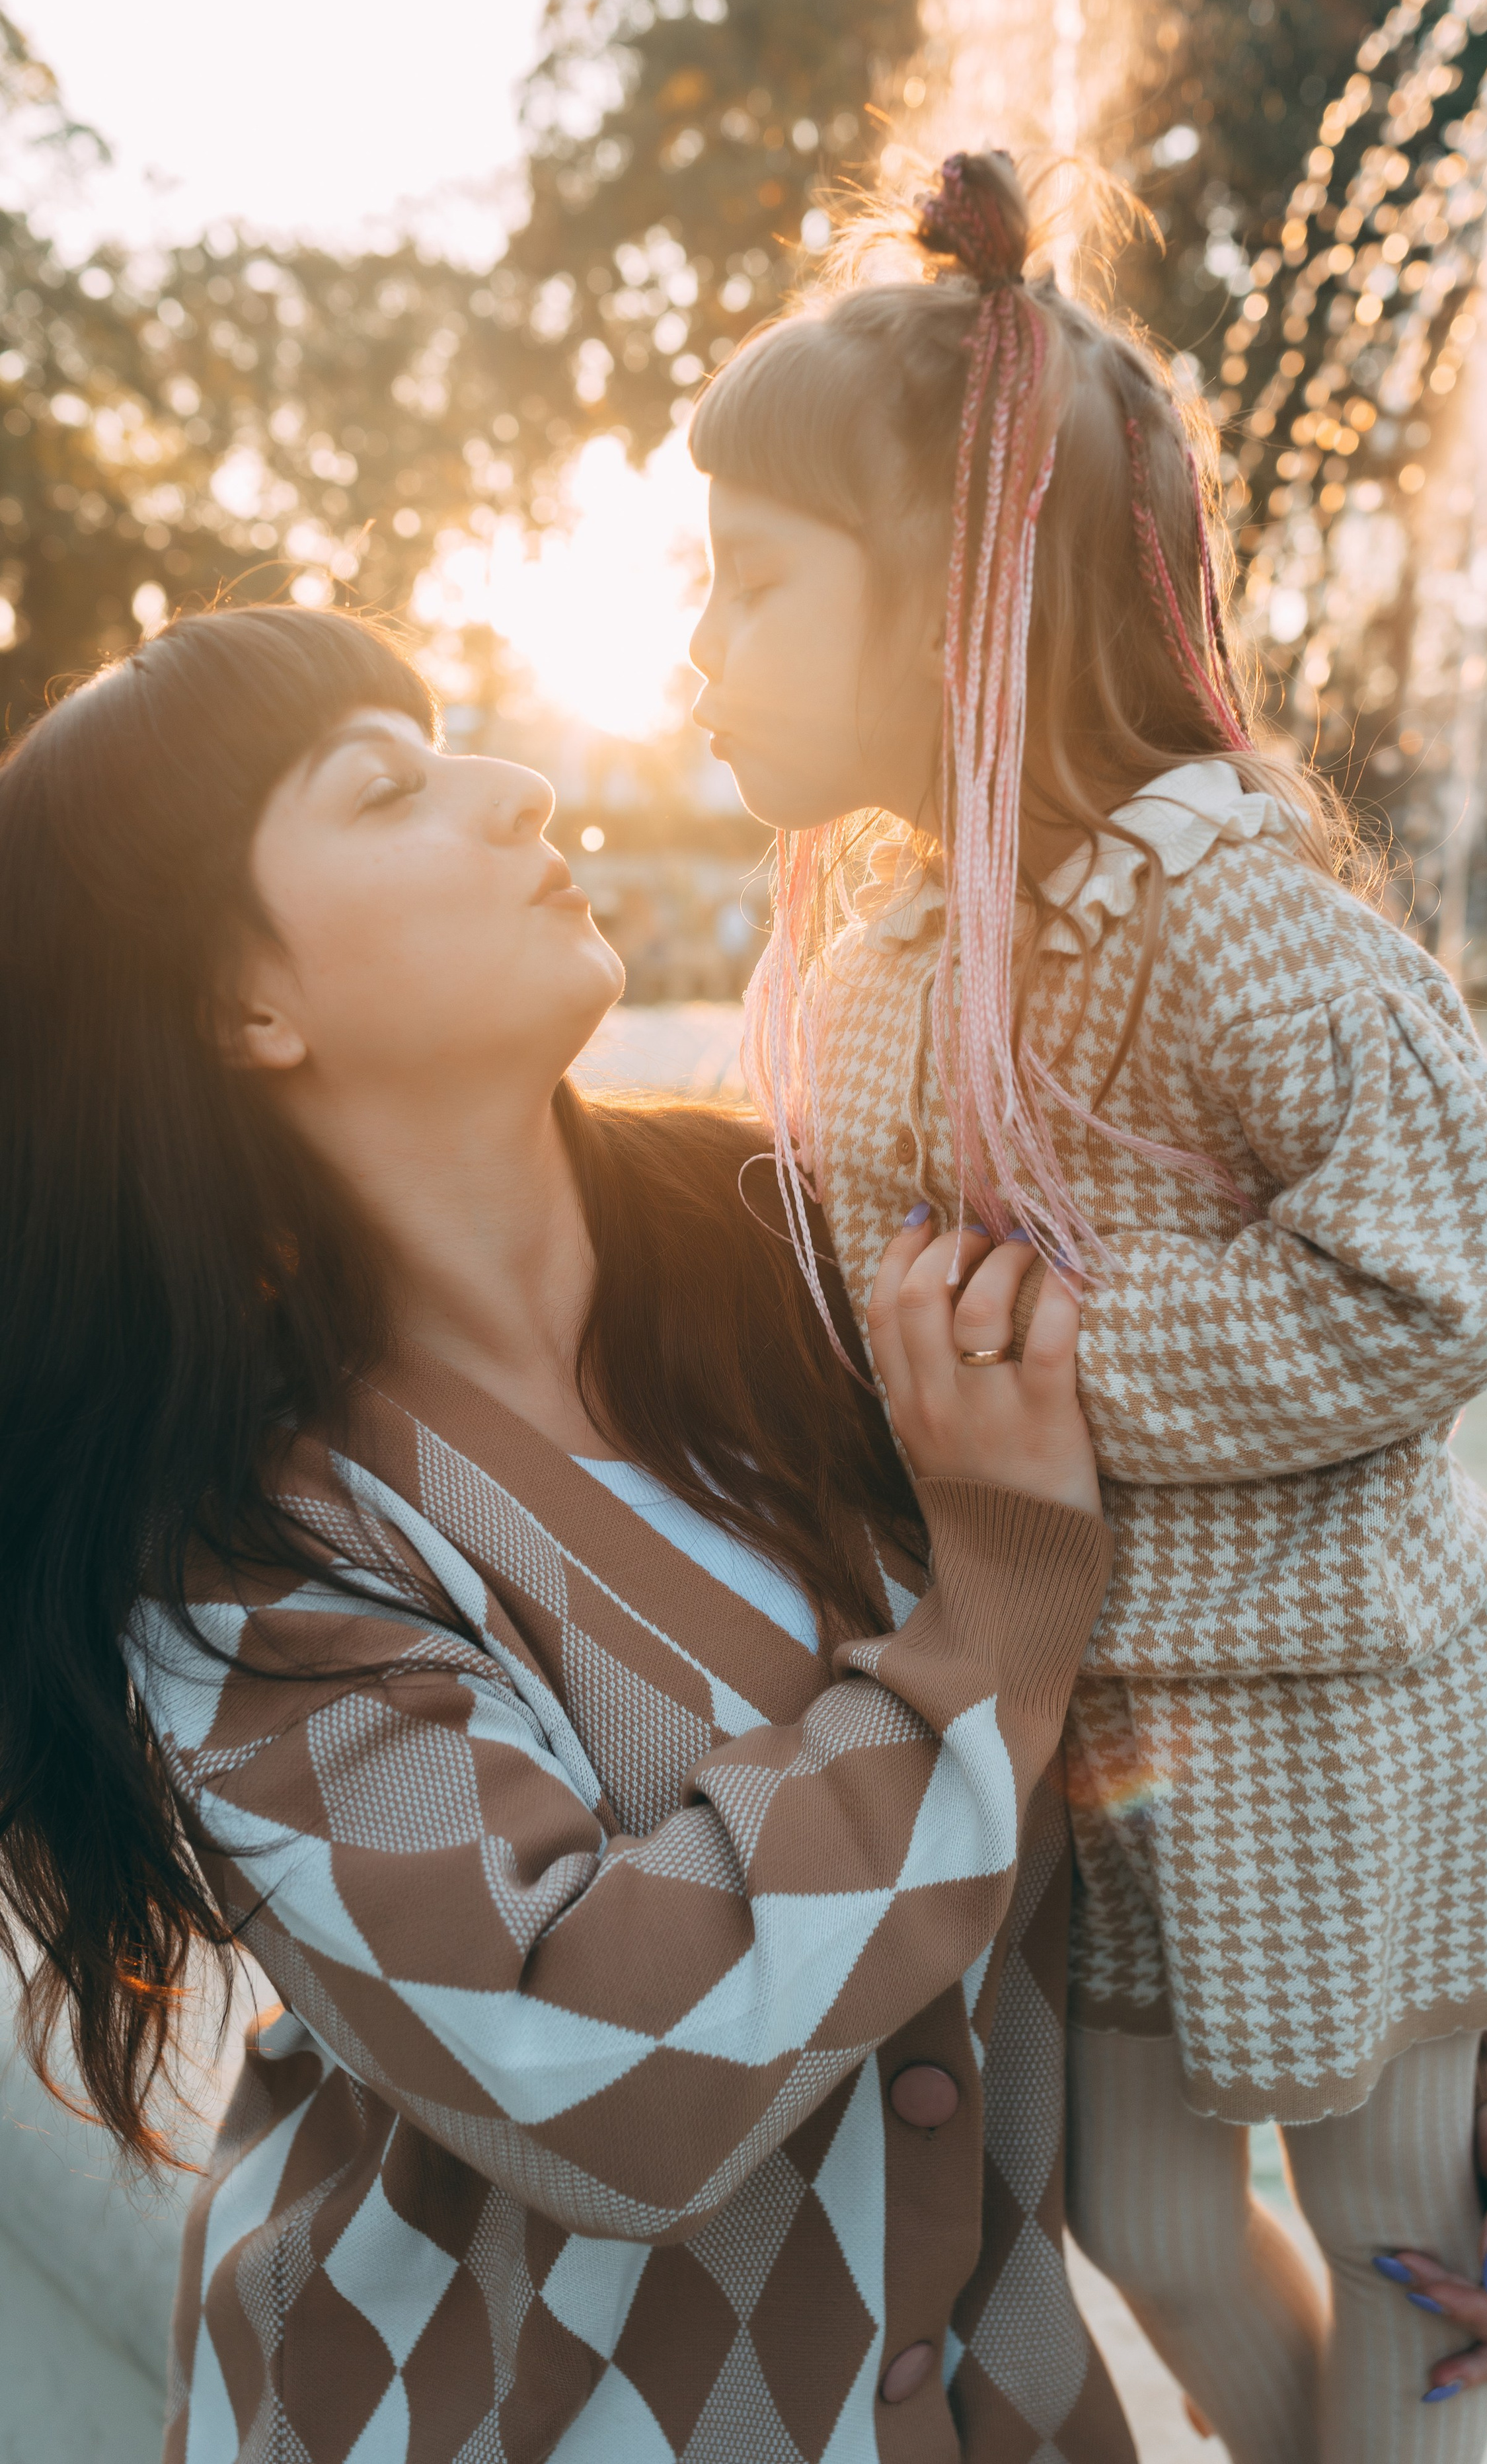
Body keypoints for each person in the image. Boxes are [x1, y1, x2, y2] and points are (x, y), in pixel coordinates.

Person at [0, 602, 1128, 2462]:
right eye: (386, 788)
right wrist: (988, 1613)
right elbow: (606, 2076)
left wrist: (1434, 2051)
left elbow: (1243, 1601)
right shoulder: (234, 1556)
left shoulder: (816, 1248)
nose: (520, 790)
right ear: (240, 1003)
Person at [685, 148, 1487, 2457]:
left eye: (753, 582)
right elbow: (836, 1306)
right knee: (1146, 2225)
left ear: (958, 604)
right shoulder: (884, 968)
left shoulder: (1225, 902)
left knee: (1402, 2235)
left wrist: (1056, 1384)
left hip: (1333, 1715)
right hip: (1097, 1737)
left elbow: (1467, 1248)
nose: (697, 648)